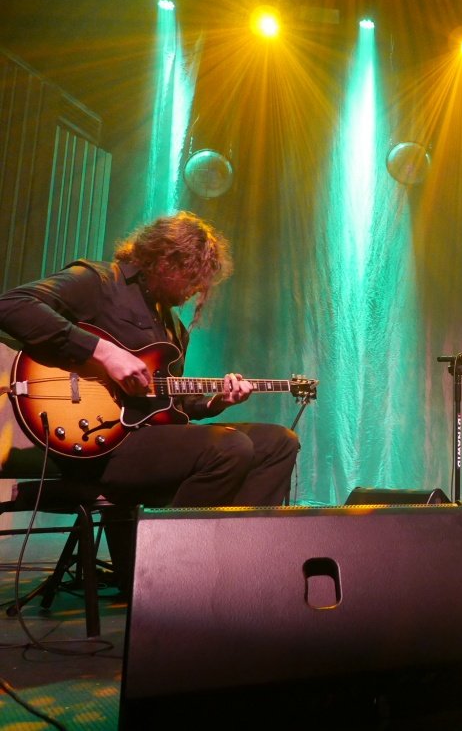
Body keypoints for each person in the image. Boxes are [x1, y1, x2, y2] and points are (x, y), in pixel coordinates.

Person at [0, 212, 300, 584]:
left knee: (278, 443)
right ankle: (164, 574)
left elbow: (167, 403)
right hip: (97, 445)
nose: (196, 289)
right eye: (192, 276)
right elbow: (11, 306)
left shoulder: (174, 329)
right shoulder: (100, 282)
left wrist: (214, 403)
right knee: (230, 447)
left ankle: (233, 567)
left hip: (147, 442)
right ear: (165, 261)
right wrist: (103, 352)